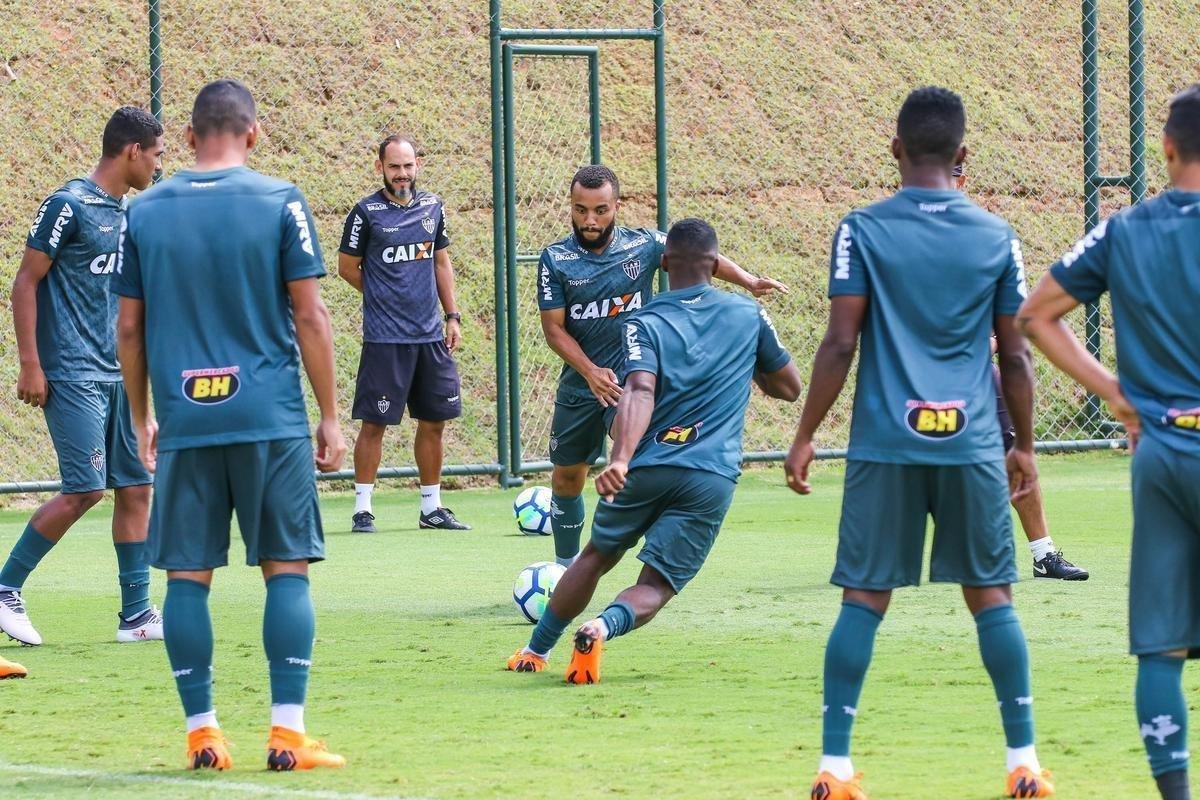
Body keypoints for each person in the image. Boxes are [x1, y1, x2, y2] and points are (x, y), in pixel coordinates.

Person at [785, 87, 1055, 799]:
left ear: (895, 150)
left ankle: (835, 768)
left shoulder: (861, 230)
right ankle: (1021, 761)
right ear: (963, 157)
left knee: (863, 598)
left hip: (884, 444)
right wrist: (1022, 446)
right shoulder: (997, 236)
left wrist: (805, 434)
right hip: (969, 445)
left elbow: (841, 342)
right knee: (992, 597)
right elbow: (1017, 356)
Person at [114, 79, 347, 771]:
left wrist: (141, 415)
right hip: (268, 415)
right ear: (254, 133)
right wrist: (330, 416)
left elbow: (129, 327)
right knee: (287, 571)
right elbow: (311, 315)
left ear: (187, 139)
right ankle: (286, 733)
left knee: (186, 579)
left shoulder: (145, 211)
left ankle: (204, 734)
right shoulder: (280, 200)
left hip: (186, 416)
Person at [508, 218, 801, 682]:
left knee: (596, 556)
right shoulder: (748, 316)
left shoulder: (643, 320)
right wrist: (752, 364)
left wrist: (621, 458)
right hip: (711, 475)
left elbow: (639, 389)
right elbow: (788, 387)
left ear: (663, 264)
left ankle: (534, 651)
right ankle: (603, 626)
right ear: (715, 263)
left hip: (647, 464)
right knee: (657, 584)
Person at [1017, 84, 1200, 800]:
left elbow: (1038, 314)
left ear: (1166, 148)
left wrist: (1120, 396)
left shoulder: (1124, 230)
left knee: (1161, 646)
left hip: (1160, 449)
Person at [538, 164, 788, 569]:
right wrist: (589, 371)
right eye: (581, 210)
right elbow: (554, 330)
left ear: (616, 205)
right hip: (582, 381)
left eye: (600, 210)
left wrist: (748, 280)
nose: (590, 220)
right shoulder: (556, 259)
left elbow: (699, 255)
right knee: (567, 477)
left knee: (638, 452)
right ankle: (565, 568)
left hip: (637, 376)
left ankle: (651, 552)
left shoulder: (644, 245)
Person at [0, 107, 164, 648]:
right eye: (157, 154)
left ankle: (137, 615)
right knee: (86, 491)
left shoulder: (127, 215)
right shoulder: (67, 205)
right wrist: (31, 362)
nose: (160, 165)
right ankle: (5, 589)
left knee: (137, 487)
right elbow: (25, 283)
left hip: (116, 374)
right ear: (132, 151)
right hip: (70, 373)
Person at [957, 164, 1088, 580]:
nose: (951, 181)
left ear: (964, 177)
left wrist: (986, 345)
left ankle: (1044, 555)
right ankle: (881, 558)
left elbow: (1011, 321)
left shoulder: (987, 239)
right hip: (916, 376)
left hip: (980, 372)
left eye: (958, 173)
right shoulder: (894, 234)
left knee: (1014, 456)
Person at [338, 135, 468, 533]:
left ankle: (431, 507)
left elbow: (441, 263)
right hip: (385, 339)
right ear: (381, 167)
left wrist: (452, 315)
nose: (402, 174)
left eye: (408, 166)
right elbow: (347, 267)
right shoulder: (365, 213)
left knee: (434, 422)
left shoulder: (433, 207)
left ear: (418, 165)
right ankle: (363, 509)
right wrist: (382, 296)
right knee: (374, 424)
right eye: (394, 166)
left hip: (430, 336)